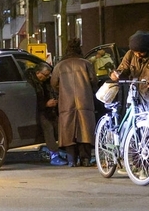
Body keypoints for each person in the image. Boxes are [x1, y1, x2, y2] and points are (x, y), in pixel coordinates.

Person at [51, 38, 97, 167]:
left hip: (66, 102)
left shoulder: (60, 66)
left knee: (68, 130)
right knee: (85, 130)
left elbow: (54, 84)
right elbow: (94, 80)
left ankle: (72, 159)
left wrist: (61, 91)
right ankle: (85, 158)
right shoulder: (86, 64)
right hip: (84, 101)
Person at [27, 64, 64, 166]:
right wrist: (46, 104)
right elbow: (32, 101)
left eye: (48, 75)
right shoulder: (30, 84)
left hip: (46, 110)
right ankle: (54, 155)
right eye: (45, 75)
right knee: (48, 127)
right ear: (37, 72)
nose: (47, 77)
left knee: (59, 125)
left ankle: (60, 150)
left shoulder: (44, 82)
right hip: (36, 112)